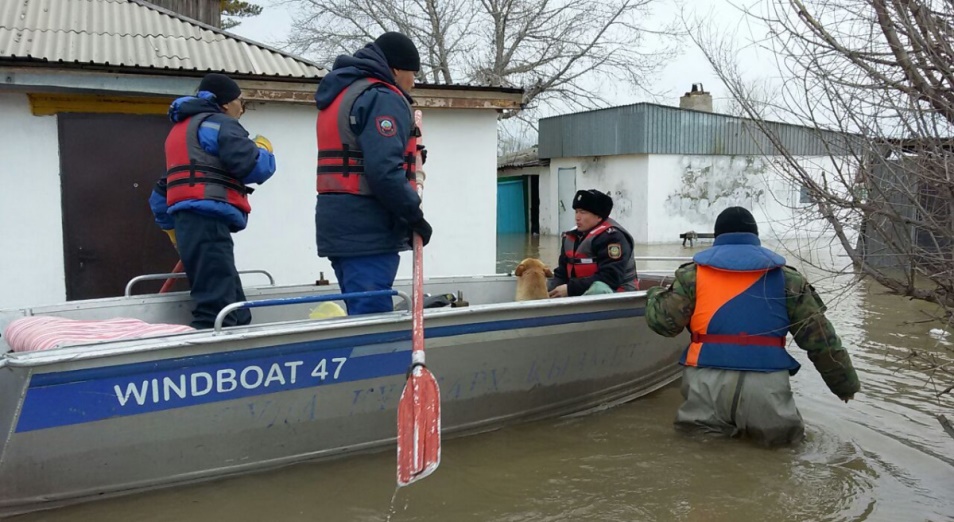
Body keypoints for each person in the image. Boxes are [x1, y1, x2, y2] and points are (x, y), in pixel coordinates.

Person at [645, 206, 860, 447]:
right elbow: (822, 341)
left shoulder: (692, 276)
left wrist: (654, 294)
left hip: (706, 385)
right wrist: (844, 385)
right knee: (780, 457)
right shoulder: (789, 280)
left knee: (700, 455)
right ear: (755, 237)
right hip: (767, 388)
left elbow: (664, 324)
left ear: (717, 238)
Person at [313, 32, 432, 315]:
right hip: (367, 229)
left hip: (340, 224)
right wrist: (414, 216)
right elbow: (383, 171)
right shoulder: (382, 97)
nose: (413, 83)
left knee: (360, 309)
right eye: (412, 74)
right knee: (372, 317)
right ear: (395, 69)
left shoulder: (345, 91)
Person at [149, 73, 276, 329]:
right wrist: (264, 151)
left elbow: (160, 193)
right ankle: (214, 359)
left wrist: (173, 230)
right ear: (227, 103)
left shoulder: (181, 131)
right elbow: (253, 168)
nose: (242, 108)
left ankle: (242, 345)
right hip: (208, 221)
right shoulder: (220, 124)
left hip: (190, 223)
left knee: (234, 304)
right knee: (217, 307)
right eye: (242, 101)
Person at [548, 189, 638, 297]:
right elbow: (561, 273)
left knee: (599, 289)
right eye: (576, 211)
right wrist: (548, 290)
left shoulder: (613, 237)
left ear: (599, 216)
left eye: (583, 212)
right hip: (580, 291)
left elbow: (610, 278)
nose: (577, 217)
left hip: (617, 294)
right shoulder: (571, 237)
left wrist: (571, 289)